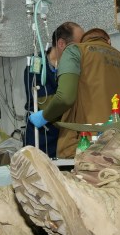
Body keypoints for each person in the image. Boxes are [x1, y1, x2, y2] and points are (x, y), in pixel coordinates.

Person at [29, 27, 120, 157]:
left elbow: (65, 97)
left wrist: (44, 116)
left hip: (84, 145)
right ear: (108, 41)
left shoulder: (75, 51)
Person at [24, 22, 83, 154]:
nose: (80, 51)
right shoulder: (36, 66)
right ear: (61, 44)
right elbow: (47, 103)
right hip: (42, 135)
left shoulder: (75, 67)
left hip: (66, 134)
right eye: (77, 46)